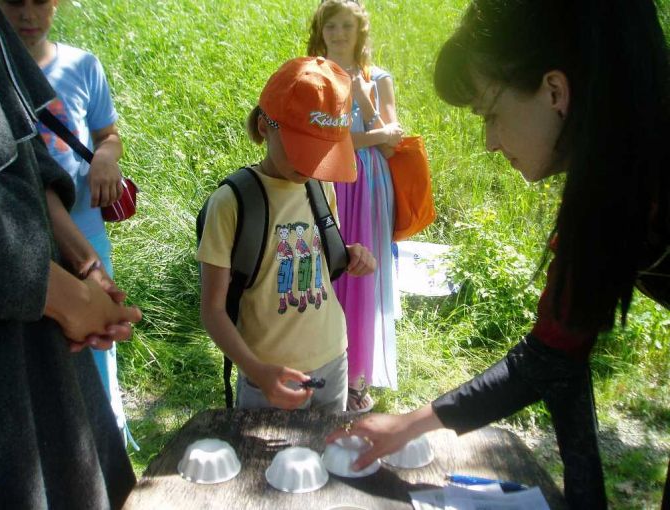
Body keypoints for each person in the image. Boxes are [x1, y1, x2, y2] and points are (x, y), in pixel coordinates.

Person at [326, 0, 670, 508]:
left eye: (491, 115)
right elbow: (557, 356)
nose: (489, 142)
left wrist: (409, 424)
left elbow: (554, 359)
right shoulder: (607, 184)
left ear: (555, 91)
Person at [0, 1, 142, 507]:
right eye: (14, 2)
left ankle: (112, 434)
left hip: (72, 245)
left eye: (40, 1)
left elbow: (30, 163)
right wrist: (71, 298)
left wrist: (86, 265)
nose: (27, 14)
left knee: (94, 373)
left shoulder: (77, 65)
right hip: (25, 276)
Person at [197, 56, 376, 412]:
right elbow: (212, 310)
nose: (311, 165)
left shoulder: (321, 187)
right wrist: (257, 371)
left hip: (333, 357)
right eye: (302, 150)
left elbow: (317, 254)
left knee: (327, 448)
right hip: (268, 375)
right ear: (265, 126)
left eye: (322, 152)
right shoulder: (231, 203)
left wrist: (352, 253)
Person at [307, 0, 403, 412]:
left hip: (368, 186)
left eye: (347, 25)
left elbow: (394, 142)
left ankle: (356, 377)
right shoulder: (313, 76)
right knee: (323, 267)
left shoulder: (377, 79)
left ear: (360, 30)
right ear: (321, 30)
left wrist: (364, 102)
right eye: (331, 25)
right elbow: (318, 137)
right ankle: (317, 365)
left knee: (362, 273)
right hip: (327, 178)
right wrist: (371, 136)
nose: (339, 33)